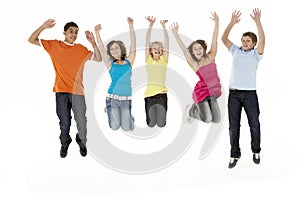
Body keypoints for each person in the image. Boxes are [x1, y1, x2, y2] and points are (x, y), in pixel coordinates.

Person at [28, 19, 102, 158]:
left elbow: (98, 59)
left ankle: (81, 141)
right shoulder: (54, 45)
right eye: (71, 31)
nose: (73, 34)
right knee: (65, 122)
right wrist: (43, 26)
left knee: (81, 122)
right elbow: (31, 39)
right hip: (61, 91)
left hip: (78, 92)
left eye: (76, 32)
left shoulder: (81, 49)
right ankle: (65, 142)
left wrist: (92, 42)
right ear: (64, 32)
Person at [221, 8, 265, 168]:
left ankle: (256, 150)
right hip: (234, 95)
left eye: (248, 41)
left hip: (250, 95)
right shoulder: (235, 51)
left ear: (253, 43)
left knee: (254, 123)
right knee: (233, 126)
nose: (244, 43)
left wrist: (258, 22)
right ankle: (234, 153)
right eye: (243, 40)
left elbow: (262, 41)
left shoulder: (256, 54)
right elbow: (223, 38)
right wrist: (232, 23)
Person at [170, 12, 222, 124]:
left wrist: (217, 23)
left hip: (213, 92)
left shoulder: (211, 57)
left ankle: (199, 108)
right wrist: (176, 35)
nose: (198, 51)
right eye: (195, 49)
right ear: (193, 53)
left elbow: (214, 40)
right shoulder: (195, 65)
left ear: (203, 49)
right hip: (202, 93)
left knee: (216, 120)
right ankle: (191, 111)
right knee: (207, 119)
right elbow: (184, 50)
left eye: (200, 48)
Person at [94, 17, 136, 131]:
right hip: (112, 99)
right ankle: (108, 107)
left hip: (126, 99)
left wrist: (131, 27)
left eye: (116, 47)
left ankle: (130, 118)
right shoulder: (110, 64)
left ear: (121, 49)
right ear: (110, 53)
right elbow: (102, 50)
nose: (114, 50)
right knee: (114, 127)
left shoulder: (129, 62)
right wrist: (97, 33)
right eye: (112, 49)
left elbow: (133, 46)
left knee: (127, 127)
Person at [144, 16, 169, 127]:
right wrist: (150, 25)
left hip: (161, 95)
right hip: (149, 96)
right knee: (151, 124)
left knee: (161, 124)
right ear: (151, 51)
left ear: (161, 51)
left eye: (159, 48)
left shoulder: (164, 60)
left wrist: (164, 27)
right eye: (154, 48)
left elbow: (167, 43)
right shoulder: (148, 60)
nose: (157, 49)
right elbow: (146, 41)